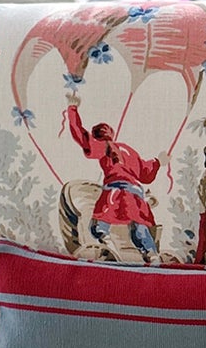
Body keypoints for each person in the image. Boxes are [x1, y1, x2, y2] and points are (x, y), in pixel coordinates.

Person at [64, 101, 162, 264]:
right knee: (139, 226)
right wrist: (158, 162)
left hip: (115, 192)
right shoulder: (127, 150)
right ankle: (151, 253)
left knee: (98, 225)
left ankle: (108, 244)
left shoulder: (103, 146)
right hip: (136, 193)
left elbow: (81, 136)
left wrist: (72, 110)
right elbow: (145, 173)